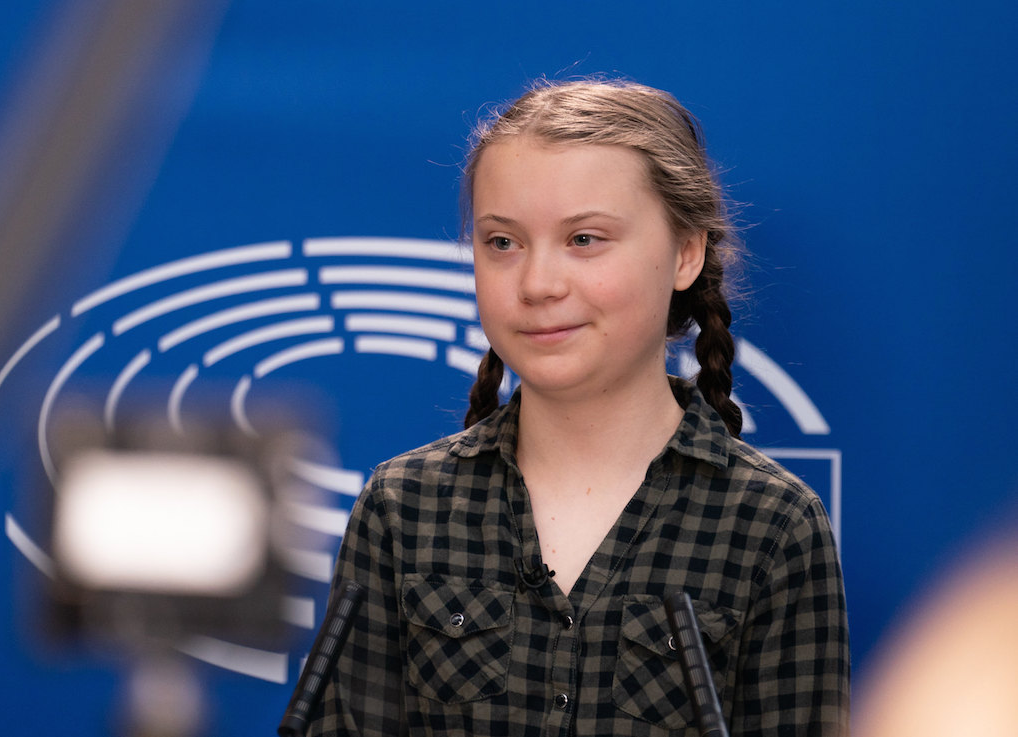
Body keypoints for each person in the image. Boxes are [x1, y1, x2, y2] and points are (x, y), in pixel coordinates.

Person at [304, 78, 849, 736]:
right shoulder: (401, 504)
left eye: (584, 239)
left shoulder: (773, 524)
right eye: (501, 242)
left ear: (685, 251)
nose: (537, 284)